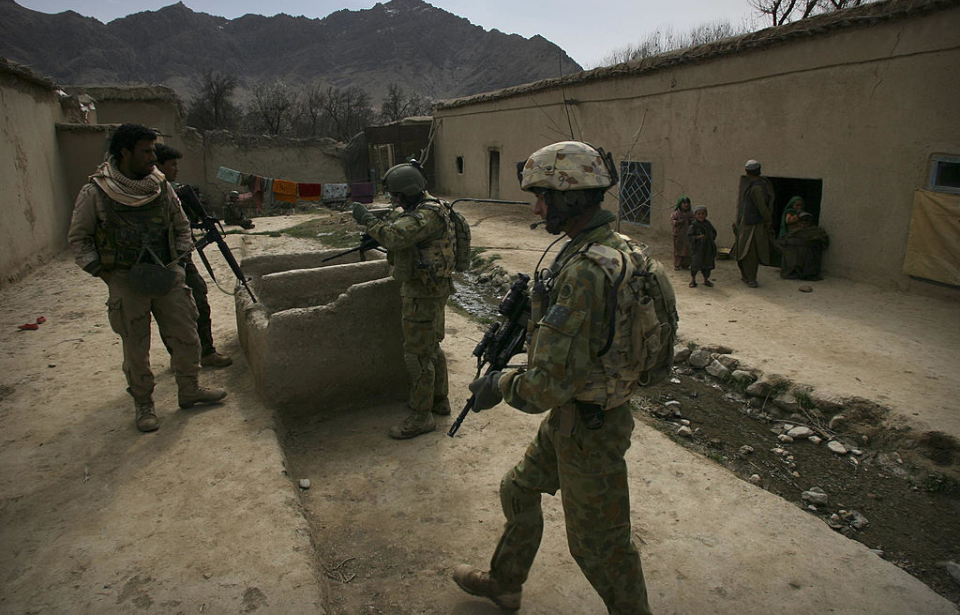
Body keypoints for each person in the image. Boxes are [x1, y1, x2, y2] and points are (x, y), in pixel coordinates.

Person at [454, 141, 653, 614]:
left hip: (590, 427)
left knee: (601, 548)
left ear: (573, 198)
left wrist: (498, 384)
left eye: (545, 196)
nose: (538, 207)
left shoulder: (587, 270)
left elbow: (545, 389)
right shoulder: (614, 249)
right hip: (578, 412)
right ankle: (505, 583)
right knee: (519, 488)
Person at [67, 123, 227, 433]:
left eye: (154, 150)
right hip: (126, 279)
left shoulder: (160, 186)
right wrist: (105, 274)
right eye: (146, 151)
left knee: (186, 333)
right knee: (136, 345)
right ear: (124, 153)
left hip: (167, 274)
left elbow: (181, 227)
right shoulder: (97, 191)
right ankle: (144, 403)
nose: (153, 157)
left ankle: (189, 388)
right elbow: (79, 240)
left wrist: (179, 263)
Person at [351, 162, 455, 439]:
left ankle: (422, 417)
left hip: (422, 292)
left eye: (396, 195)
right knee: (432, 347)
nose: (394, 201)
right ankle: (438, 400)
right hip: (434, 287)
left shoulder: (425, 214)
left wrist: (367, 219)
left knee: (417, 354)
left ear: (408, 192)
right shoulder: (434, 207)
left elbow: (396, 237)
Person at [154, 143, 232, 368]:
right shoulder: (154, 192)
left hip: (178, 256)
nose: (176, 169)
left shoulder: (170, 191)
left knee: (187, 305)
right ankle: (199, 354)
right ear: (158, 166)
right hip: (169, 260)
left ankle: (195, 353)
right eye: (172, 165)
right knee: (191, 303)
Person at [733, 159, 776, 288]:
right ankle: (746, 276)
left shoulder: (757, 187)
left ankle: (751, 278)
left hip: (753, 226)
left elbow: (762, 208)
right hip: (747, 223)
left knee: (750, 252)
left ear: (747, 172)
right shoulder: (759, 184)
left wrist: (768, 221)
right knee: (741, 251)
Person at [780, 212, 829, 280]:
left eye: (806, 224)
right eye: (801, 223)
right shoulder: (794, 232)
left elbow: (822, 241)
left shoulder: (816, 232)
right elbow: (784, 240)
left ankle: (808, 274)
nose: (803, 226)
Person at [687, 205, 717, 287]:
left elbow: (714, 233)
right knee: (695, 265)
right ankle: (693, 280)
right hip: (697, 249)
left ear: (706, 214)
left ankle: (706, 280)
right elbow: (689, 237)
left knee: (707, 265)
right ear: (695, 215)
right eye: (699, 214)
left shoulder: (708, 224)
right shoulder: (693, 225)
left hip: (707, 249)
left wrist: (709, 238)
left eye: (703, 213)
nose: (701, 215)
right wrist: (698, 237)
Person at [670, 195, 694, 270]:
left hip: (688, 235)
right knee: (678, 250)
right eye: (684, 203)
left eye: (687, 203)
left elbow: (694, 221)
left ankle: (685, 265)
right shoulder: (676, 213)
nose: (686, 204)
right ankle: (677, 265)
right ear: (680, 204)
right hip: (678, 235)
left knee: (688, 250)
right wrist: (678, 222)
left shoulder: (690, 213)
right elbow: (672, 221)